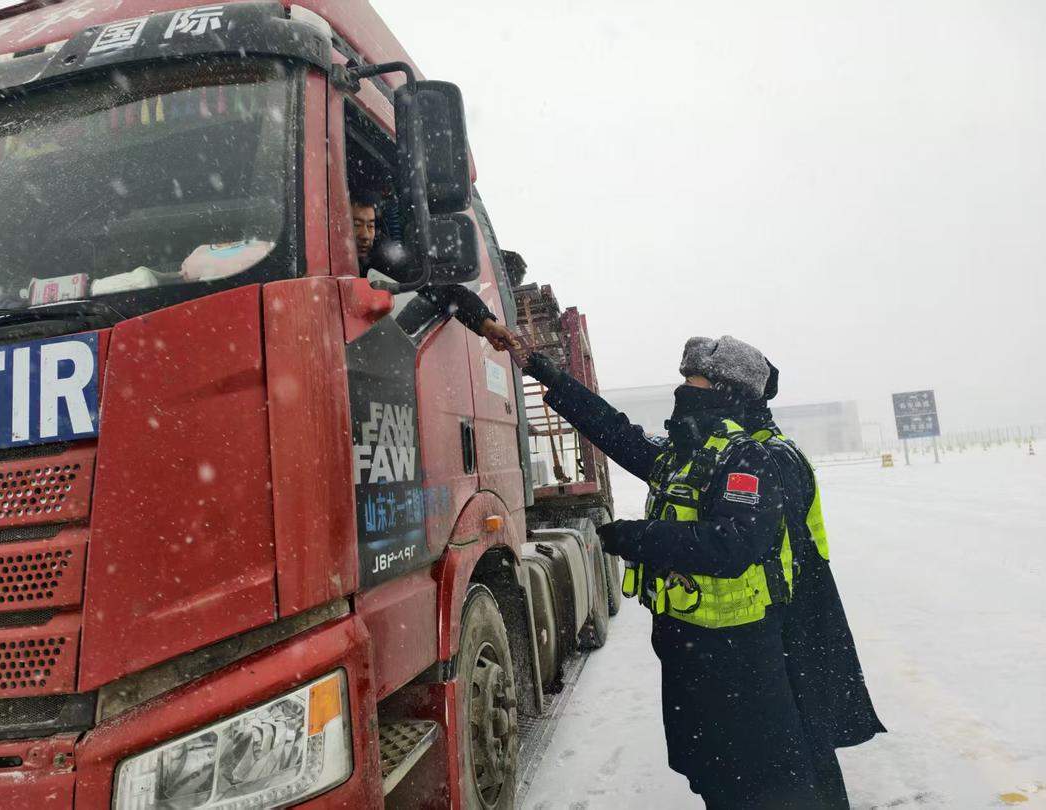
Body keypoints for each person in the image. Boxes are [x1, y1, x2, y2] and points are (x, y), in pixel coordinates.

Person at [521, 335, 828, 809]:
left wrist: (638, 538)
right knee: (708, 770)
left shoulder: (748, 458)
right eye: (683, 379)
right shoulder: (682, 454)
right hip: (686, 645)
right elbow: (615, 432)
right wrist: (552, 377)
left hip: (741, 653)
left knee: (757, 781)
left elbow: (734, 545)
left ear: (727, 392)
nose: (684, 389)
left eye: (696, 381)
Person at [742, 360, 885, 809]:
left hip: (797, 609)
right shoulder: (775, 447)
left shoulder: (769, 457)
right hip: (805, 604)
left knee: (804, 736)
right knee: (808, 732)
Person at [349, 190, 519, 351]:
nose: (365, 235)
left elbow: (439, 288)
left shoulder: (382, 254)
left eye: (370, 226)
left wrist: (486, 323)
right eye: (356, 224)